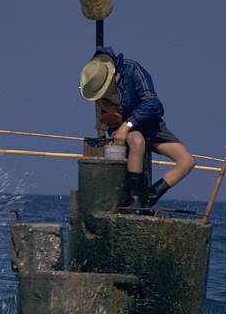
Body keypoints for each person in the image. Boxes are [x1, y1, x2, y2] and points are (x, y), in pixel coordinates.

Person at [79, 46, 195, 209]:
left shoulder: (132, 70)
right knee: (137, 141)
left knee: (187, 161)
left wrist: (128, 125)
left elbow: (153, 104)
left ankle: (149, 197)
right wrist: (109, 117)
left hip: (150, 124)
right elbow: (110, 120)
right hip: (125, 129)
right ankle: (135, 200)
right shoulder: (98, 86)